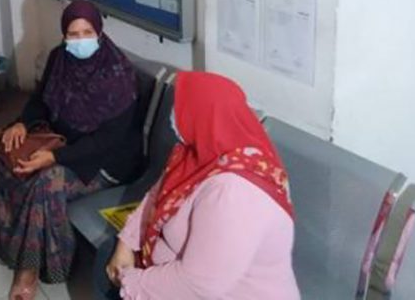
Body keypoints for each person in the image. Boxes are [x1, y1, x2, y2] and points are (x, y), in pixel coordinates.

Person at [104, 72, 300, 300]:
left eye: (179, 108)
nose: (173, 115)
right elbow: (155, 196)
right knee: (105, 258)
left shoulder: (235, 193)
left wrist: (130, 282)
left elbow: (198, 285)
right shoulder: (199, 155)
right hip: (168, 274)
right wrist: (126, 244)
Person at [0, 0, 143, 300]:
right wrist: (22, 123)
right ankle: (13, 249)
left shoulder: (118, 75)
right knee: (6, 164)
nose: (80, 41)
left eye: (87, 33)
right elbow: (41, 100)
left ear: (99, 32)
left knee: (46, 182)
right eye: (73, 34)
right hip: (64, 143)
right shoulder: (59, 58)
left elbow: (108, 141)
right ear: (64, 35)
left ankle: (33, 269)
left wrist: (54, 157)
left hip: (106, 163)